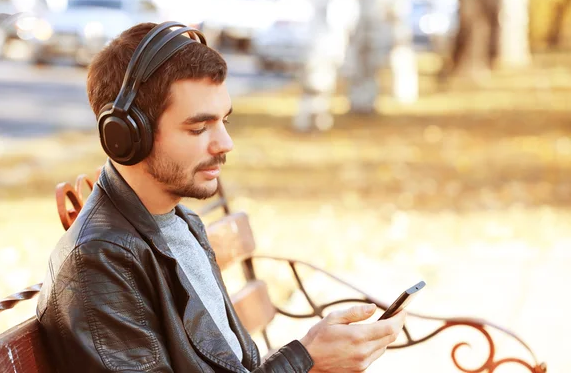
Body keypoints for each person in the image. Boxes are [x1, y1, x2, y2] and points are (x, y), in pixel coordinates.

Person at [36, 21, 406, 373]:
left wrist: (318, 353)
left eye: (223, 121)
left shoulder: (179, 223)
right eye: (199, 127)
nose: (225, 143)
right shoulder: (99, 261)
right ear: (126, 136)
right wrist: (307, 359)